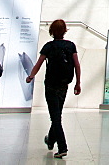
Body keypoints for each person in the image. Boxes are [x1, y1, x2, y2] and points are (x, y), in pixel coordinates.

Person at [26, 19, 82, 158]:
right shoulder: (70, 46)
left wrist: (31, 76)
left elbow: (39, 64)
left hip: (51, 84)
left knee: (55, 117)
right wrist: (78, 83)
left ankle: (62, 147)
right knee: (57, 114)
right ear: (64, 31)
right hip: (64, 85)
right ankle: (50, 140)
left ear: (51, 31)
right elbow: (77, 65)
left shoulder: (48, 47)